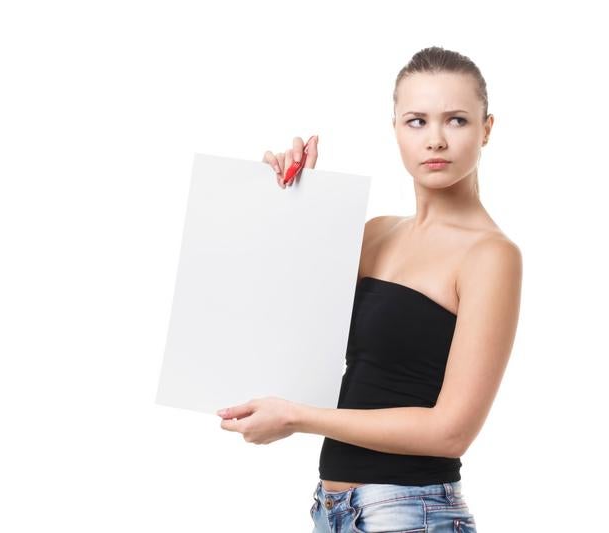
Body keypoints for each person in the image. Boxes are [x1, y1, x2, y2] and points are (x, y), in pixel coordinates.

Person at [217, 45, 522, 533]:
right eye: (417, 121)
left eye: (458, 120)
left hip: (410, 512)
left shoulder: (490, 255)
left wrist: (299, 418)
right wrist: (295, 201)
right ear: (396, 128)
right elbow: (286, 320)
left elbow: (451, 432)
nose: (436, 140)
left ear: (487, 129)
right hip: (333, 511)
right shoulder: (376, 233)